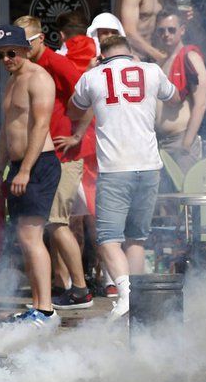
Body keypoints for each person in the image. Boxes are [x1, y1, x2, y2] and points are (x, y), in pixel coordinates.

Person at [68, 35, 181, 320]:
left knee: (108, 239)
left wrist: (93, 74)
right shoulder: (151, 71)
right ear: (130, 52)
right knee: (136, 239)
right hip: (149, 165)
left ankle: (126, 295)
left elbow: (73, 108)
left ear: (101, 55)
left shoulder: (93, 76)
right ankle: (139, 304)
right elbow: (175, 97)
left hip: (115, 167)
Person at [13, 16, 92, 310]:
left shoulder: (56, 65)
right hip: (45, 157)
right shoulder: (25, 71)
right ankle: (62, 286)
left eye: (25, 43)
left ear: (41, 39)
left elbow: (88, 97)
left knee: (58, 222)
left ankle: (81, 289)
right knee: (47, 224)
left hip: (64, 156)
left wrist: (77, 135)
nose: (19, 49)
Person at [0, 25, 62, 328]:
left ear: (25, 49)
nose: (7, 59)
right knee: (23, 237)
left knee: (32, 236)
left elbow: (40, 126)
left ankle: (45, 310)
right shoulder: (12, 81)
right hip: (18, 166)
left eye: (12, 52)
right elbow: (7, 131)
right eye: (1, 55)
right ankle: (37, 305)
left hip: (38, 164)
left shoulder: (39, 78)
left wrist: (24, 169)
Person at [153, 9, 206, 172]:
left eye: (171, 29)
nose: (166, 34)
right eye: (161, 30)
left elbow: (201, 104)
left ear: (182, 30)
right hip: (160, 143)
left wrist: (187, 143)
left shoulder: (190, 57)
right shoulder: (158, 62)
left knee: (185, 195)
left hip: (181, 141)